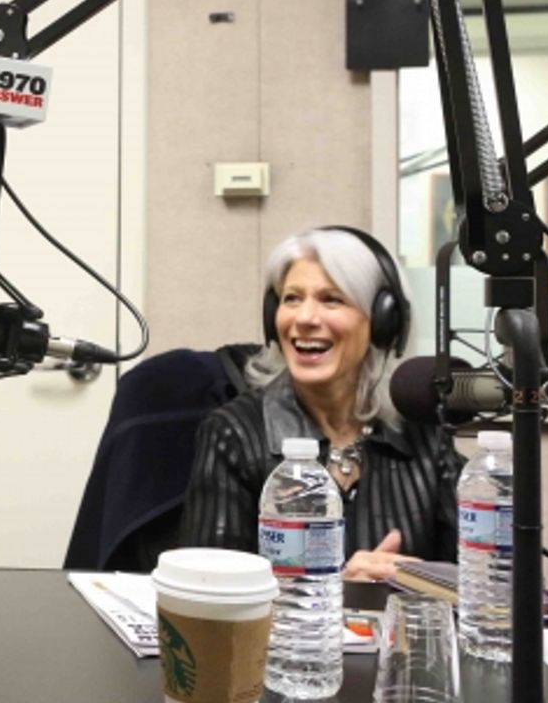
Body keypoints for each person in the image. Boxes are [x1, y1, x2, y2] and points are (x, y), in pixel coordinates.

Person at [179, 226, 461, 581]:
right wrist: (338, 594)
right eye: (292, 299)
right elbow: (209, 592)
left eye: (331, 300)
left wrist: (422, 584)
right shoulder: (233, 434)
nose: (304, 318)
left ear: (383, 321)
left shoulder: (424, 433)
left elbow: (486, 583)